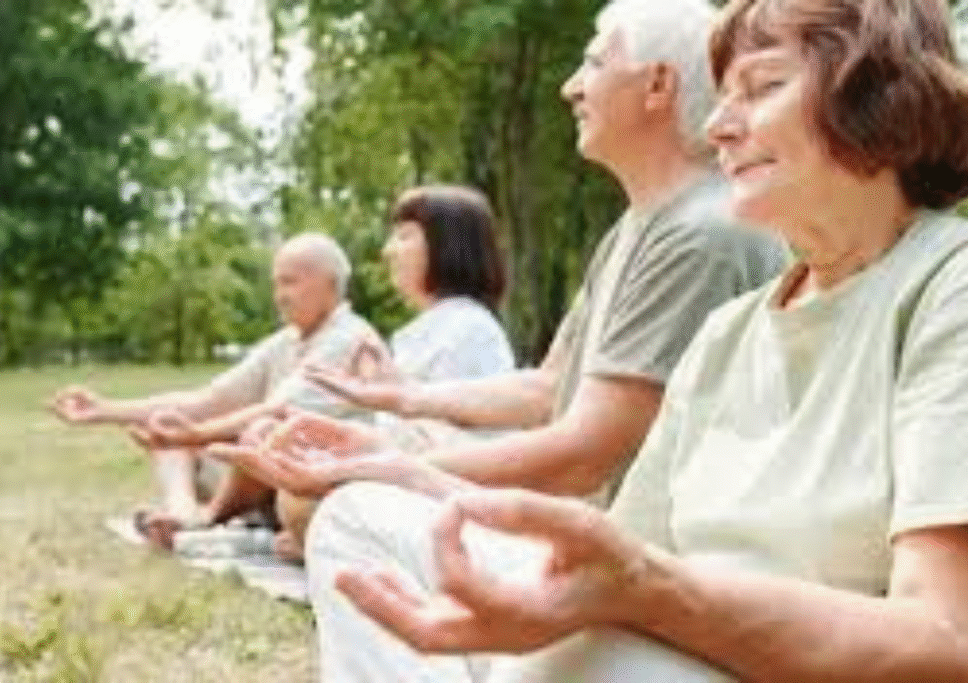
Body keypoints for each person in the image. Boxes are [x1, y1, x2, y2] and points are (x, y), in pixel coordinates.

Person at [307, 0, 968, 680]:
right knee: (361, 519)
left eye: (764, 86)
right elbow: (623, 555)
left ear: (882, 97)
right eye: (723, 96)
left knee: (583, 652)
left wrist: (647, 594)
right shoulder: (727, 330)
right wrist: (405, 471)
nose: (717, 125)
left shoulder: (949, 285)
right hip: (670, 637)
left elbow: (945, 639)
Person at [50, 232, 387, 543]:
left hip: (316, 490)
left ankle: (208, 518)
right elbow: (209, 400)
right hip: (269, 483)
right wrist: (104, 410)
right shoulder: (287, 341)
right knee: (166, 422)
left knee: (263, 431)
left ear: (330, 284)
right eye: (276, 284)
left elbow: (279, 412)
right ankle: (181, 514)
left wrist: (193, 433)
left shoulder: (349, 338)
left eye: (290, 282)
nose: (279, 297)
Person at [271, 184, 517, 559]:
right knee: (296, 481)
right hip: (413, 479)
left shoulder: (468, 330)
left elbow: (453, 447)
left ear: (447, 246)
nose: (388, 251)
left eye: (404, 236)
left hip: (448, 495)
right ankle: (324, 540)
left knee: (302, 498)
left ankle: (330, 543)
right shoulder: (432, 329)